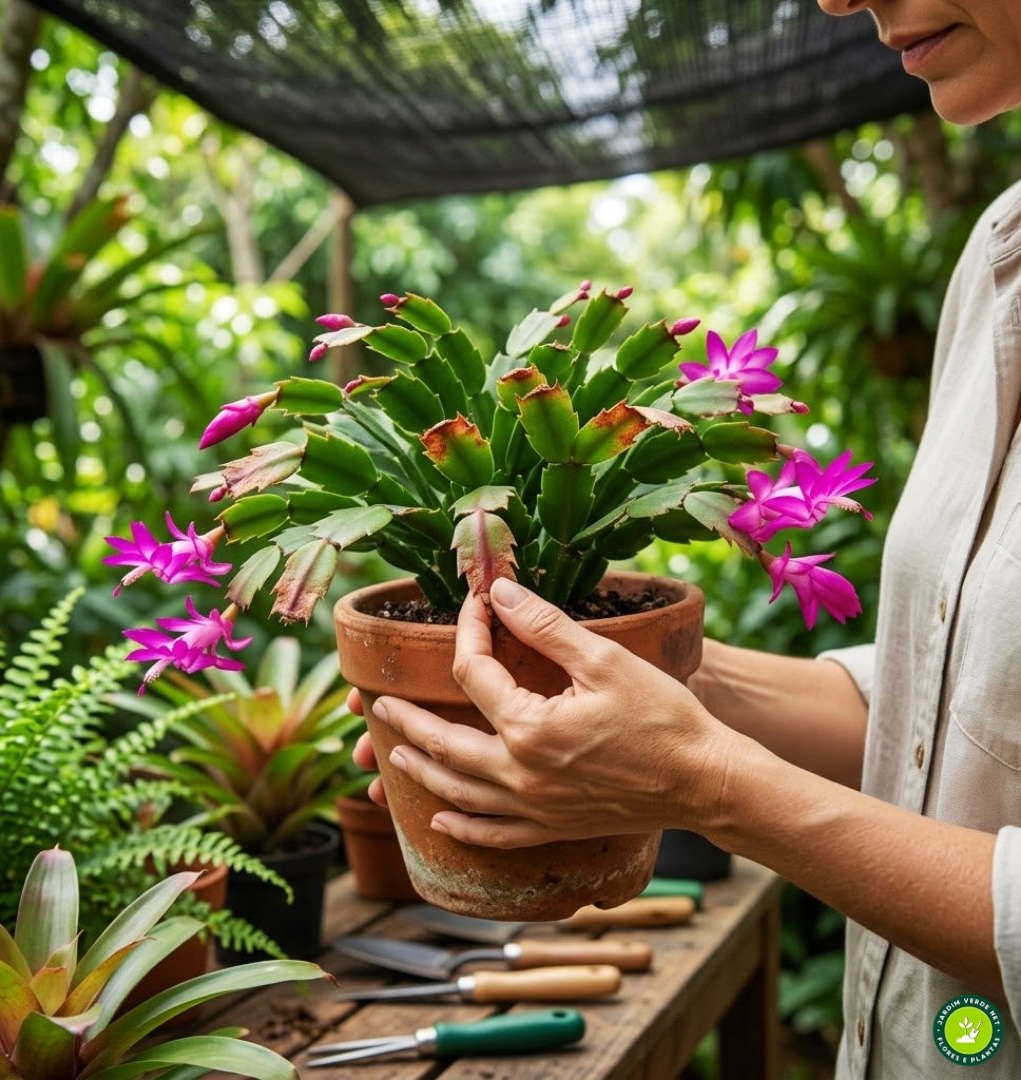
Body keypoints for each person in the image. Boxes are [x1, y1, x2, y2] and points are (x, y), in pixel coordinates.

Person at [348, 2, 1021, 1075]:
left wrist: (703, 785)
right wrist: (631, 695)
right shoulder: (996, 261)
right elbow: (949, 715)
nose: (839, 0)